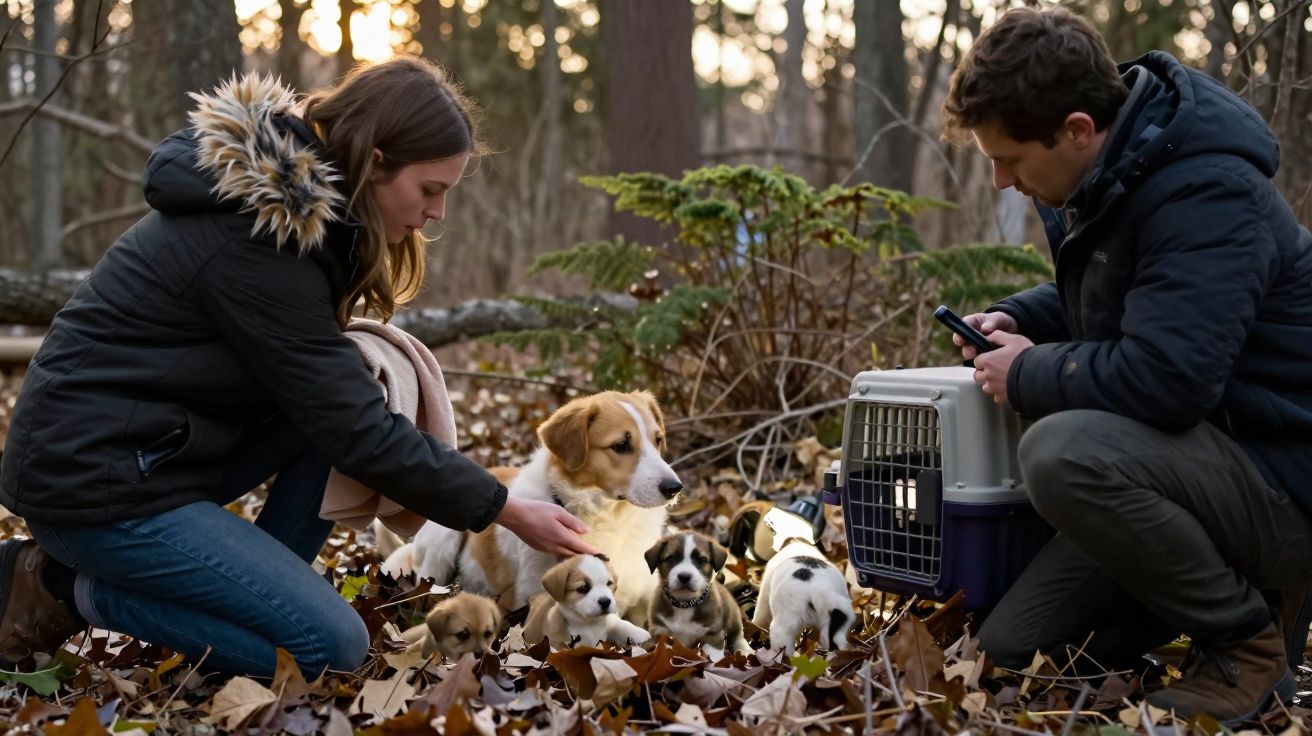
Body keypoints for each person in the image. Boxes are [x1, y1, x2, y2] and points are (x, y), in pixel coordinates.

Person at [0, 57, 599, 679]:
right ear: (375, 161)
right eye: (431, 189)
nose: (438, 212)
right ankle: (61, 585)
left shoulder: (301, 225)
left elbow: (337, 413)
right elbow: (358, 432)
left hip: (159, 460)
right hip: (92, 489)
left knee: (355, 396)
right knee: (326, 650)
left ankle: (254, 609)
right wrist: (504, 507)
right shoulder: (254, 240)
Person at [940, 7, 1312, 724]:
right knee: (1014, 647)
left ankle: (1246, 641)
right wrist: (1023, 319)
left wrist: (1028, 372)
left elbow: (1170, 378)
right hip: (1205, 474)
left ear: (1078, 129)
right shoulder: (1116, 170)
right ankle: (1216, 598)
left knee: (1060, 450)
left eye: (1011, 159)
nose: (999, 180)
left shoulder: (1206, 190)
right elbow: (1130, 295)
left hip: (1284, 481)